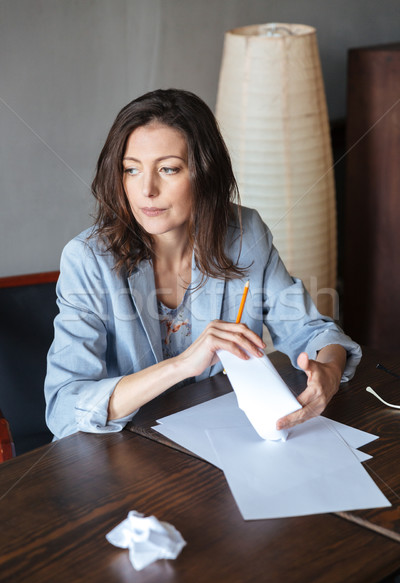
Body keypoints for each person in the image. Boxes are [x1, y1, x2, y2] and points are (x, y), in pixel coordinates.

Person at [45, 88, 361, 440]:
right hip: (126, 450)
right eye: (131, 170)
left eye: (168, 169)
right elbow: (63, 409)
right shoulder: (86, 259)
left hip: (219, 437)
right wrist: (181, 365)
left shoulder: (245, 234)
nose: (146, 189)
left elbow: (312, 332)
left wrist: (328, 372)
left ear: (205, 172)